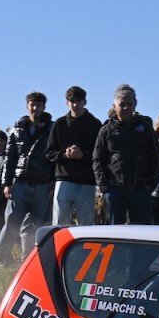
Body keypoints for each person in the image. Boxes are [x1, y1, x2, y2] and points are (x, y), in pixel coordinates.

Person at [0, 92, 55, 264]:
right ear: (27, 106)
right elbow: (9, 158)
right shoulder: (17, 130)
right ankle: (0, 260)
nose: (35, 108)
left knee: (37, 225)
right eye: (32, 104)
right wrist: (7, 184)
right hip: (20, 182)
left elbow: (54, 159)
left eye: (38, 105)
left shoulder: (52, 129)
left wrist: (52, 183)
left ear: (44, 107)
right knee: (11, 223)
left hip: (42, 183)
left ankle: (29, 261)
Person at [94, 84, 159, 224]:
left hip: (141, 189)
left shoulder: (145, 128)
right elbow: (97, 160)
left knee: (143, 231)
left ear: (135, 104)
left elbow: (156, 156)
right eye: (122, 104)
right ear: (114, 106)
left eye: (129, 104)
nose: (126, 108)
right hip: (115, 190)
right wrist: (104, 187)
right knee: (114, 232)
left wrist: (151, 184)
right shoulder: (106, 130)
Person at [47, 86, 101, 226]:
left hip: (86, 182)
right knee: (59, 224)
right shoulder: (59, 124)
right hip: (64, 180)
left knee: (86, 225)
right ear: (67, 103)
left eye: (78, 101)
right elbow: (49, 152)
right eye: (72, 101)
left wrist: (83, 155)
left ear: (85, 102)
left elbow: (100, 154)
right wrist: (65, 155)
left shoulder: (95, 124)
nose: (75, 105)